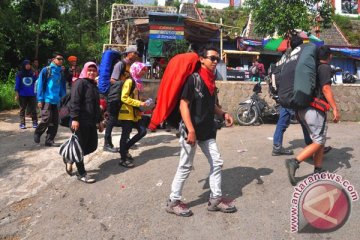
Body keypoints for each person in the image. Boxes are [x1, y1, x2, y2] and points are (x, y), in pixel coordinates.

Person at [166, 46, 237, 217]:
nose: (215, 62)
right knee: (185, 165)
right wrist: (190, 129)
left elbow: (210, 105)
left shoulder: (211, 81)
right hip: (191, 130)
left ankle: (215, 199)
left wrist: (224, 113)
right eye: (212, 58)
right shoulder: (194, 79)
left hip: (207, 130)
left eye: (217, 59)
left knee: (217, 162)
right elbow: (184, 104)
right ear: (201, 59)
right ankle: (173, 201)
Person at [286, 45, 340, 186]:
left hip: (303, 109)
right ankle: (295, 161)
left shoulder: (312, 68)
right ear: (330, 56)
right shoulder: (325, 68)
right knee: (318, 141)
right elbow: (326, 88)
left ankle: (318, 169)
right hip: (314, 110)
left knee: (319, 139)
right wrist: (335, 108)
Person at [68, 62, 104, 183]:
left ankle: (71, 158)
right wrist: (75, 118)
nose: (92, 72)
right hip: (79, 121)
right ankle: (81, 173)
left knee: (92, 145)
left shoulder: (94, 85)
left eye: (94, 71)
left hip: (90, 121)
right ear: (85, 70)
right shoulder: (80, 83)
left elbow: (96, 106)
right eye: (89, 70)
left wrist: (100, 121)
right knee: (80, 148)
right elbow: (75, 101)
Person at [103, 45, 139, 152]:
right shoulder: (120, 64)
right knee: (112, 120)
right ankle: (107, 143)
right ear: (129, 53)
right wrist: (125, 83)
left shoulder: (132, 66)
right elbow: (112, 80)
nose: (136, 55)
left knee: (126, 119)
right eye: (135, 53)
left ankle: (126, 140)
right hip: (116, 97)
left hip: (125, 97)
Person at [118, 62, 148, 168]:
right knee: (125, 135)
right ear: (136, 69)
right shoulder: (129, 81)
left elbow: (134, 97)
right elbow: (124, 98)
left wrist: (142, 101)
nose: (144, 72)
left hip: (135, 113)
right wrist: (139, 103)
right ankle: (123, 158)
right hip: (126, 113)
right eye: (142, 69)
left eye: (144, 70)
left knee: (142, 131)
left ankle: (125, 149)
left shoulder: (137, 82)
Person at [34, 52, 66, 146]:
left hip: (56, 100)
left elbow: (62, 86)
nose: (61, 61)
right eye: (59, 59)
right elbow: (40, 85)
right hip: (47, 99)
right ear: (53, 59)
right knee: (46, 119)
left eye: (62, 59)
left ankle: (49, 140)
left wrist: (63, 98)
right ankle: (38, 132)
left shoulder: (61, 72)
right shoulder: (46, 70)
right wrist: (40, 99)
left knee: (55, 122)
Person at [15, 60, 38, 129]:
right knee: (22, 109)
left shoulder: (33, 73)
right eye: (26, 64)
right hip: (23, 94)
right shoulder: (20, 74)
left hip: (32, 94)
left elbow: (36, 82)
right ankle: (22, 124)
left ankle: (35, 123)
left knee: (33, 109)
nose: (28, 66)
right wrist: (17, 94)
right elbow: (17, 84)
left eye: (29, 64)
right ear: (24, 65)